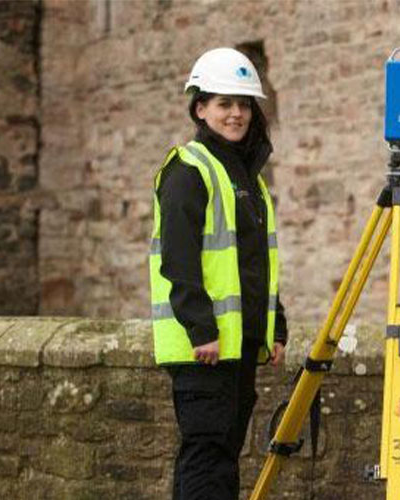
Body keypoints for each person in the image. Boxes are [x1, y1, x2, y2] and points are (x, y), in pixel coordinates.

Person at [149, 47, 288, 500]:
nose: (236, 114)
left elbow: (255, 263)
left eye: (243, 104)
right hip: (204, 348)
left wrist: (276, 326)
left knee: (223, 456)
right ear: (200, 108)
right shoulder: (188, 170)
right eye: (224, 103)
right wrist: (201, 328)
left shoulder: (247, 178)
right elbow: (179, 260)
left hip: (239, 344)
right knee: (206, 456)